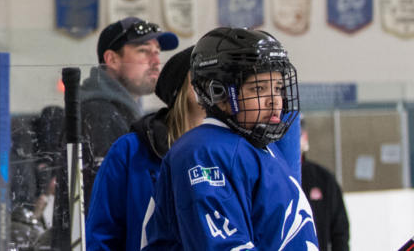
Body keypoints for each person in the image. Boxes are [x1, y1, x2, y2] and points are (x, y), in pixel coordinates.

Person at [142, 27, 318, 250]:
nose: (274, 101)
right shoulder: (203, 152)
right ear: (220, 95)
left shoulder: (261, 148)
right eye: (259, 88)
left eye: (278, 87)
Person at [85, 46, 205, 250]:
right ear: (182, 87)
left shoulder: (239, 149)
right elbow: (102, 236)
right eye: (204, 75)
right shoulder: (131, 151)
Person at [79, 17, 178, 210]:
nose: (156, 61)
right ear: (112, 59)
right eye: (144, 51)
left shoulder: (121, 112)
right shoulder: (100, 115)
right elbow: (106, 201)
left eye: (157, 52)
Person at [300, 119, 350, 250]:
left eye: (298, 134)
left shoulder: (323, 179)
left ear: (305, 137)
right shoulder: (270, 176)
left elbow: (340, 230)